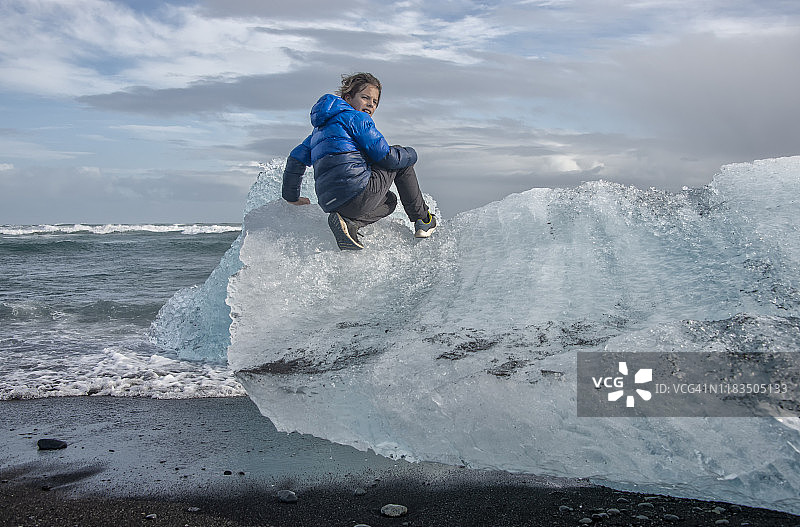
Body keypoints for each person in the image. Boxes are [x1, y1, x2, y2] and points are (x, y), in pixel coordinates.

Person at [281, 72, 437, 250]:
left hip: (332, 203)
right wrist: (413, 154)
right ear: (348, 98)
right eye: (365, 97)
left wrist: (292, 198)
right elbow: (387, 157)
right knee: (401, 159)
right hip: (358, 195)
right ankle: (423, 220)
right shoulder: (356, 119)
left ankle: (349, 223)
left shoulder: (317, 133)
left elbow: (295, 160)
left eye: (375, 102)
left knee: (389, 201)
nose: (370, 104)